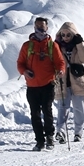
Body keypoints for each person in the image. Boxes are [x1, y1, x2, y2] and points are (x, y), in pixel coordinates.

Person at [16, 16, 66, 151]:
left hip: (48, 84)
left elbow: (60, 62)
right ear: (34, 27)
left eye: (42, 26)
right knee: (35, 114)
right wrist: (24, 71)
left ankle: (49, 137)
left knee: (47, 111)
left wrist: (61, 70)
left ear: (47, 27)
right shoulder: (27, 46)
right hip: (32, 86)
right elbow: (20, 63)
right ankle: (39, 141)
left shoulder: (52, 45)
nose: (40, 29)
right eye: (38, 26)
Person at [53, 21, 84, 143]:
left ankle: (78, 132)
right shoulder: (56, 45)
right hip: (63, 80)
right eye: (63, 35)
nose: (65, 37)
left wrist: (79, 44)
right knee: (62, 108)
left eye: (68, 35)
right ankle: (61, 131)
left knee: (79, 108)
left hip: (78, 80)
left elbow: (83, 58)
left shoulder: (78, 44)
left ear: (73, 34)